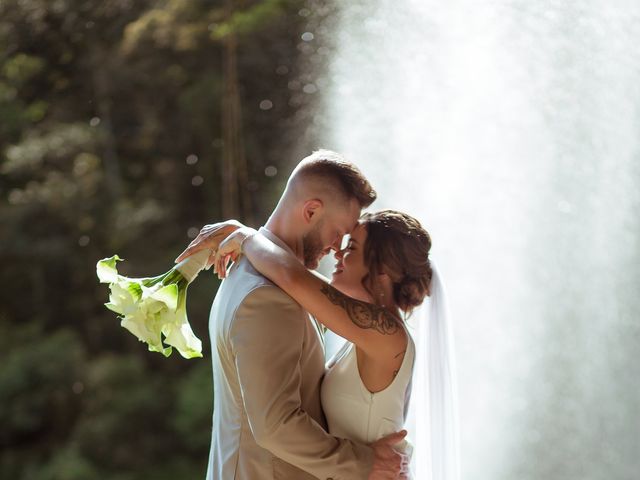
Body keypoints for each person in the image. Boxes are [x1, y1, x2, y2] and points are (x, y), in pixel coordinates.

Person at [177, 150, 410, 480]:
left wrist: (248, 236)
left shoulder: (255, 274)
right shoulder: (268, 298)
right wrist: (364, 464)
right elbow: (275, 426)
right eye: (338, 231)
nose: (337, 247)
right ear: (312, 210)